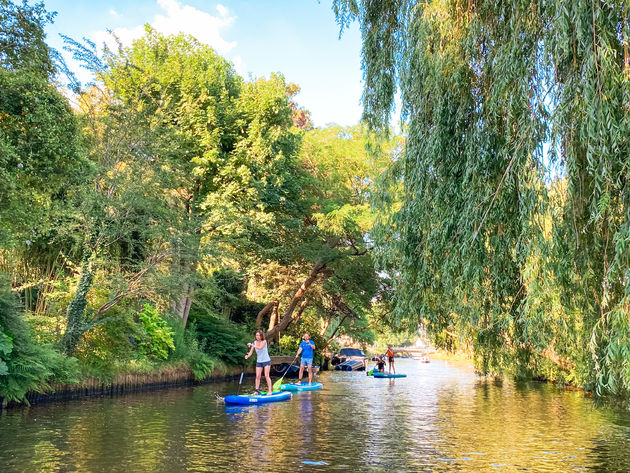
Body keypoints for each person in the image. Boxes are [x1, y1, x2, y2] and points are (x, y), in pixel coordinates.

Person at [245, 330, 272, 395]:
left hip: (266, 361)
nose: (258, 337)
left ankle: (270, 391)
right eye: (256, 335)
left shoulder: (264, 341)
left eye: (259, 335)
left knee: (266, 375)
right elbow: (251, 352)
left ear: (261, 336)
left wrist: (252, 345)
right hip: (259, 361)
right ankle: (256, 391)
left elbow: (260, 348)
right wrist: (247, 356)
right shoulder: (254, 342)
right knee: (257, 376)